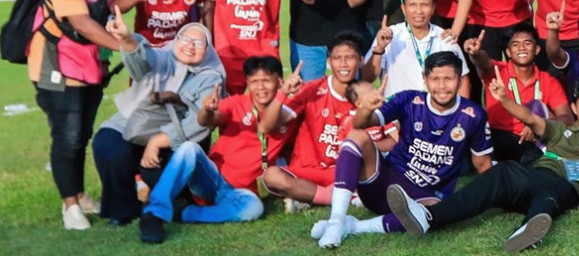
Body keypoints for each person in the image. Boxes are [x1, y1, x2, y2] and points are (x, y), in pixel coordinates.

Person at [386, 80, 579, 253]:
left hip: (566, 188)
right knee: (503, 170)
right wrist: (504, 99)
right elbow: (530, 118)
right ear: (574, 108)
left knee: (549, 199)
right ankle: (429, 217)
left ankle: (524, 234)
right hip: (533, 176)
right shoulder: (560, 129)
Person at [313, 52, 493, 249]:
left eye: (448, 79)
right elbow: (360, 123)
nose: (441, 86)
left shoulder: (473, 115)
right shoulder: (409, 100)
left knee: (436, 212)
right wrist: (366, 109)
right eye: (435, 79)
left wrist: (499, 192)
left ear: (459, 81)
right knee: (357, 136)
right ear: (425, 80)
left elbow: (482, 164)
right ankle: (336, 221)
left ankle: (353, 227)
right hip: (384, 183)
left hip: (425, 195)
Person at [138, 56, 303, 243]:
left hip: (240, 193)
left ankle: (184, 212)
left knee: (254, 209)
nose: (260, 88)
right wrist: (207, 110)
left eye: (266, 80)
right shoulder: (237, 103)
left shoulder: (287, 115)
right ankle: (153, 213)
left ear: (280, 81)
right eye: (254, 82)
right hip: (212, 178)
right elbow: (207, 120)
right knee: (189, 149)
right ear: (247, 83)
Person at [28, 0, 123, 230]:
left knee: (81, 135)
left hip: (91, 66)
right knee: (67, 137)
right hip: (56, 64)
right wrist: (126, 47)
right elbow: (80, 22)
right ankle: (70, 207)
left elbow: (105, 13)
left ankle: (79, 195)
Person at [92, 10, 224, 227]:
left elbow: (197, 123)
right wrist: (128, 40)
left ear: (208, 50)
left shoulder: (211, 77)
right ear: (176, 39)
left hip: (176, 137)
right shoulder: (162, 56)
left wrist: (159, 140)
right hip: (138, 124)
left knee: (161, 170)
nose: (190, 46)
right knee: (107, 144)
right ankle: (122, 209)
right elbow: (142, 60)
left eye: (199, 43)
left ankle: (178, 202)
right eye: (186, 39)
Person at [259, 32, 364, 210]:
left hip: (340, 172)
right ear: (329, 62)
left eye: (350, 58)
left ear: (361, 60)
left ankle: (305, 197)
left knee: (370, 176)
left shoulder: (366, 95)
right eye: (338, 58)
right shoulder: (312, 90)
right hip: (305, 169)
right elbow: (265, 126)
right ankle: (337, 197)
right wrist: (282, 93)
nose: (344, 64)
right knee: (271, 176)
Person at [464, 22, 572, 163]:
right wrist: (476, 53)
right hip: (500, 138)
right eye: (515, 44)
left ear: (537, 49)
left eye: (527, 43)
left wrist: (539, 124)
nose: (522, 47)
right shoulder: (497, 71)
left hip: (534, 140)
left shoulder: (548, 81)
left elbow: (567, 119)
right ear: (508, 52)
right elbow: (483, 63)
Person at [363, 0, 470, 97]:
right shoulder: (389, 36)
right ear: (403, 8)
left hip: (436, 112)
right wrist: (379, 49)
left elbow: (463, 81)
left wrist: (460, 114)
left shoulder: (445, 38)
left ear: (433, 8)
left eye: (424, 5)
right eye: (413, 5)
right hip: (397, 111)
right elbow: (367, 78)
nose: (418, 11)